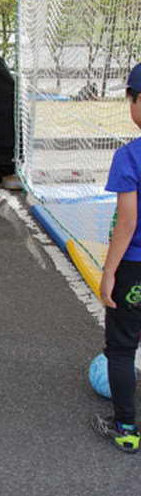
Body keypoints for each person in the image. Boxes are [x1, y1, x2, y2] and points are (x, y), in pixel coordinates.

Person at [93, 61, 141, 453]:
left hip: (135, 267)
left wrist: (109, 272)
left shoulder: (130, 156)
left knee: (122, 348)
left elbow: (126, 222)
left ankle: (125, 427)